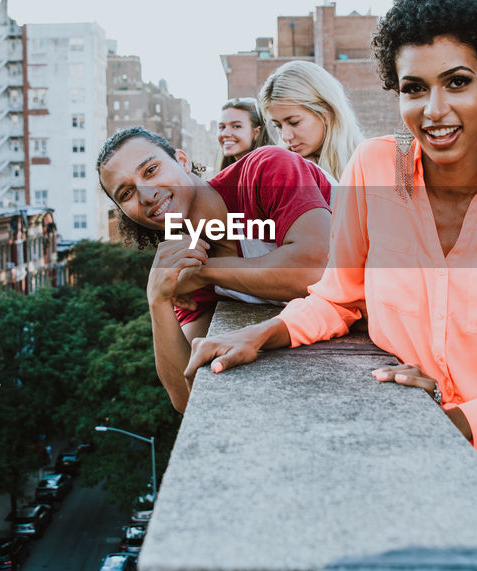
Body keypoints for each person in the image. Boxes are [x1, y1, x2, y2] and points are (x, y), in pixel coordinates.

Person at [186, 0, 477, 488]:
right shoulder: (373, 168)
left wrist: (454, 425)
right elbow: (338, 297)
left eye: (457, 82)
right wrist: (258, 334)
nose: (434, 109)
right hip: (404, 439)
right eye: (414, 89)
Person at [97, 127, 332, 412]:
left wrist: (205, 271)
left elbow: (319, 270)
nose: (146, 195)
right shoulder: (183, 260)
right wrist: (157, 300)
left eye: (151, 170)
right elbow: (187, 397)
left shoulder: (263, 169)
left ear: (182, 160)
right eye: (126, 193)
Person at [258, 60, 365, 182]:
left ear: (326, 113)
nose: (285, 137)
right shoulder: (280, 170)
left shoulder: (370, 163)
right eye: (277, 126)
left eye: (294, 122)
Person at [215, 97, 273, 171]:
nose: (225, 133)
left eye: (236, 126)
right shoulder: (227, 175)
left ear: (256, 133)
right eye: (222, 127)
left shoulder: (269, 170)